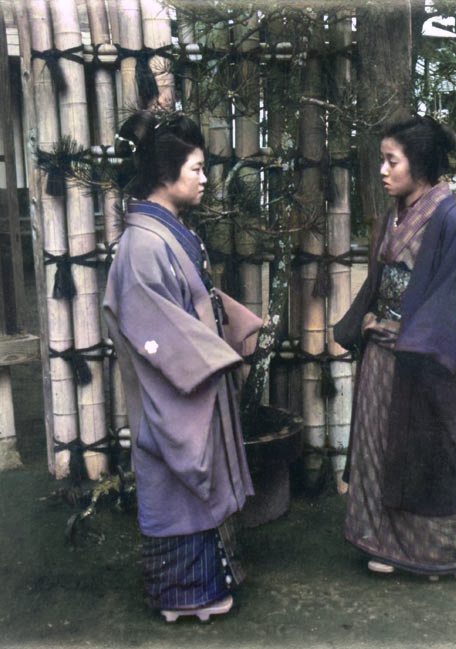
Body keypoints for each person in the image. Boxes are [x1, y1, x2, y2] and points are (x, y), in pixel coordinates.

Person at [103, 111, 262, 621]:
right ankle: (182, 592)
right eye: (196, 168)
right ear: (166, 172)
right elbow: (156, 326)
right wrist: (213, 355)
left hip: (190, 374)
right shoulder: (143, 244)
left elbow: (198, 300)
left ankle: (201, 585)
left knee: (196, 480)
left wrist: (233, 326)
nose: (204, 178)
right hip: (171, 383)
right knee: (177, 477)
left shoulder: (166, 233)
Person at [333, 115, 456, 580]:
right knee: (376, 444)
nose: (383, 171)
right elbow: (381, 282)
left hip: (424, 359)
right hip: (384, 353)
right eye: (382, 160)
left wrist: (409, 335)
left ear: (419, 164)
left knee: (423, 452)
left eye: (392, 161)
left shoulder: (451, 222)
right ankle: (381, 540)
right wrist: (369, 321)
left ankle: (437, 554)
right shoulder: (392, 216)